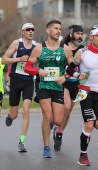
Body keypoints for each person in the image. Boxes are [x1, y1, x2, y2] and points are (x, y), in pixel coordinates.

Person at [24, 20, 81, 158]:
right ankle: (46, 147)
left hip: (58, 87)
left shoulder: (65, 49)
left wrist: (65, 77)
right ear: (48, 31)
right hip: (43, 86)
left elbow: (72, 68)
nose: (58, 31)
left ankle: (56, 131)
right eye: (55, 28)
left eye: (60, 29)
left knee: (57, 121)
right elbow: (27, 67)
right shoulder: (39, 48)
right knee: (47, 116)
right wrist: (38, 70)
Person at [66, 25, 98, 166]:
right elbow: (69, 69)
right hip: (85, 92)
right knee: (89, 124)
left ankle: (87, 130)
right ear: (92, 37)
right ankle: (83, 155)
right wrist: (77, 74)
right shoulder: (82, 52)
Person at [1, 23, 37, 152]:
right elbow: (3, 60)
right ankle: (10, 116)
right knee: (15, 114)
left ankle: (21, 142)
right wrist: (19, 59)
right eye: (28, 30)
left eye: (33, 30)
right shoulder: (17, 43)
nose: (31, 32)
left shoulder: (36, 46)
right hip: (16, 79)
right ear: (23, 32)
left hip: (28, 81)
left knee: (26, 110)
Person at [52, 24, 85, 151]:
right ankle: (57, 128)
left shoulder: (83, 49)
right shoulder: (63, 47)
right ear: (71, 34)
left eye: (82, 34)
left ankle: (59, 132)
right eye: (78, 34)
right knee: (65, 107)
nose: (80, 36)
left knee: (69, 111)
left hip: (76, 83)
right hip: (63, 81)